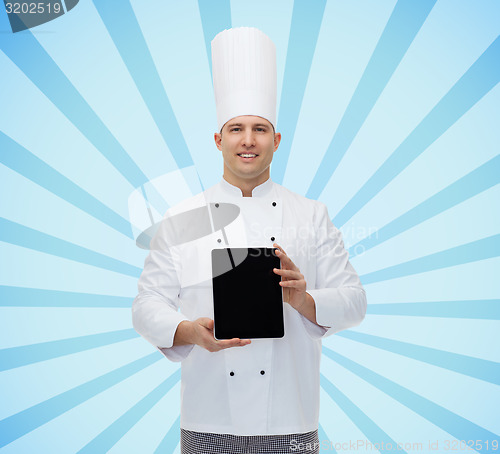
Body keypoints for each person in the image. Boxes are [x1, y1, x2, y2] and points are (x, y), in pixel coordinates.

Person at [132, 27, 366, 454]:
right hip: (208, 419)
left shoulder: (311, 214)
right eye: (236, 128)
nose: (248, 140)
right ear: (218, 140)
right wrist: (186, 330)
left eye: (260, 129)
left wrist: (305, 300)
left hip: (290, 423)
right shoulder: (181, 218)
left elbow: (355, 300)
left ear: (276, 141)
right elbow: (145, 306)